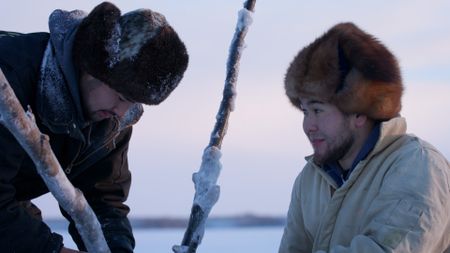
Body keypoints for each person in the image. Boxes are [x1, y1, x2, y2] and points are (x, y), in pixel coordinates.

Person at [0, 2, 188, 253]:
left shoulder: (110, 119)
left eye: (134, 102)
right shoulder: (11, 78)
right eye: (121, 96)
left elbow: (103, 198)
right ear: (93, 68)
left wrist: (113, 249)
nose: (122, 112)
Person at [278, 22, 450, 253]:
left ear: (358, 112)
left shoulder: (417, 166)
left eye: (318, 110)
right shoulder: (310, 179)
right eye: (305, 111)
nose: (308, 125)